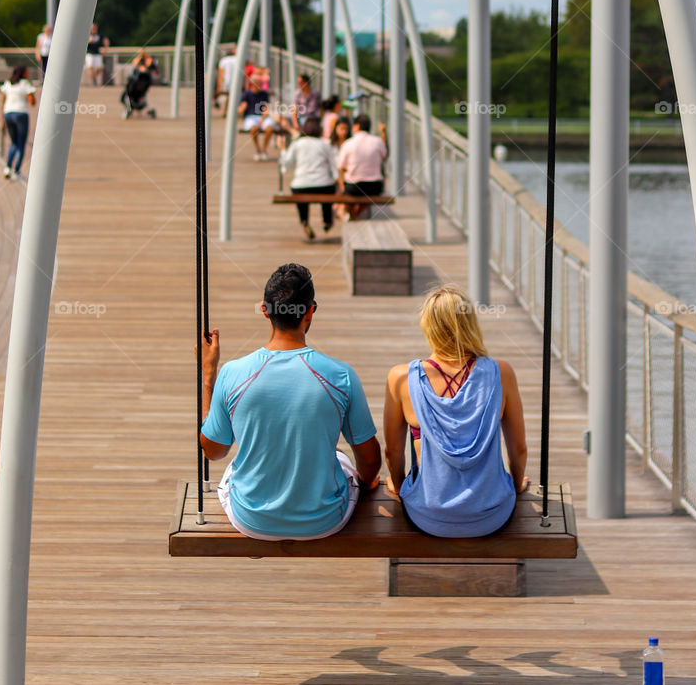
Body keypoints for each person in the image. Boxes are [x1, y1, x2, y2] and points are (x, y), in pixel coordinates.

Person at [199, 263, 381, 540]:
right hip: (325, 521)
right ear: (309, 312)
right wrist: (366, 484)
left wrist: (209, 375)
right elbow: (369, 459)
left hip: (251, 519)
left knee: (233, 467)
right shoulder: (341, 375)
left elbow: (213, 451)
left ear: (264, 310)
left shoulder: (232, 373)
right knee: (341, 458)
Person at [383, 285, 528, 537]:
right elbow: (519, 449)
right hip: (491, 514)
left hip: (428, 514)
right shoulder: (501, 373)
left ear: (427, 325)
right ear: (470, 323)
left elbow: (393, 451)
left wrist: (397, 485)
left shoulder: (402, 377)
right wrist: (514, 486)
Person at [279, 116, 338, 239]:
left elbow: (286, 164)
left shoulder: (297, 144)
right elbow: (334, 165)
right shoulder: (324, 144)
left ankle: (304, 220)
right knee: (327, 195)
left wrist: (283, 149)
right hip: (323, 184)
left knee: (300, 195)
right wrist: (337, 180)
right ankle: (327, 221)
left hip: (301, 185)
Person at [336, 113, 388, 219]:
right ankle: (353, 215)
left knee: (346, 195)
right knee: (366, 197)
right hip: (375, 187)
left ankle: (348, 214)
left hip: (354, 187)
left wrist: (342, 185)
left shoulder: (348, 143)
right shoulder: (377, 141)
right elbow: (385, 154)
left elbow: (341, 167)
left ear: (357, 126)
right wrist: (383, 133)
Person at [0, 65, 36, 180]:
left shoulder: (7, 83)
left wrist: (2, 120)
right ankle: (16, 171)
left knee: (13, 142)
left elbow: (3, 100)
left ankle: (7, 167)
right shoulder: (25, 84)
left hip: (8, 114)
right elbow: (32, 102)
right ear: (23, 73)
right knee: (21, 144)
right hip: (21, 114)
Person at [238, 72, 275, 159]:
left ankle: (264, 149)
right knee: (253, 129)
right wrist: (241, 109)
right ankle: (258, 149)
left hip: (262, 117)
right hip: (250, 116)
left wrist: (263, 119)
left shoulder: (264, 94)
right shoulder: (246, 94)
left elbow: (266, 107)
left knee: (269, 129)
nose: (261, 84)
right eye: (259, 83)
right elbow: (242, 106)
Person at [120, 50, 158, 119]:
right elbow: (135, 64)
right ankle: (134, 109)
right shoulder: (140, 66)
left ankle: (131, 110)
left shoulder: (146, 69)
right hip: (137, 89)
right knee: (131, 96)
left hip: (137, 89)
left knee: (130, 96)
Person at [214, 46, 237, 116]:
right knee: (233, 97)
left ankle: (225, 111)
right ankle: (231, 112)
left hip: (226, 82)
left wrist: (219, 86)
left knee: (227, 96)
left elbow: (221, 74)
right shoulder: (237, 59)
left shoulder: (223, 61)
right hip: (236, 81)